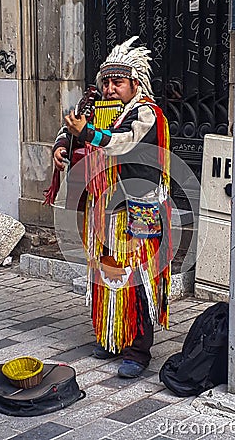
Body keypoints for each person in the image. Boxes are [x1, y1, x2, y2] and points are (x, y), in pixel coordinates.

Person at [52, 36, 172, 378]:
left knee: (135, 276)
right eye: (106, 81)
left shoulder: (149, 113)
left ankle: (138, 349)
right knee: (104, 273)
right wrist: (63, 144)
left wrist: (87, 133)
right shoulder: (98, 108)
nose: (109, 88)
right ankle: (109, 336)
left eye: (117, 82)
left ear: (135, 83)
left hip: (140, 207)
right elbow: (70, 129)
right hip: (102, 208)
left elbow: (125, 144)